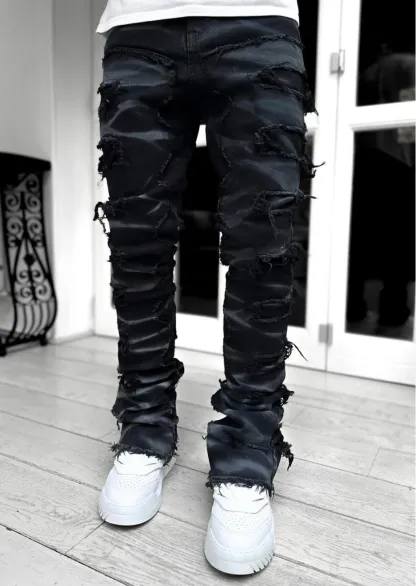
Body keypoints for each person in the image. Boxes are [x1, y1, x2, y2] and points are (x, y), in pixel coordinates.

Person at [94, 0, 315, 575]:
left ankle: (247, 452)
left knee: (263, 249)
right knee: (137, 243)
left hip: (258, 21)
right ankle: (144, 427)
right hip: (137, 24)